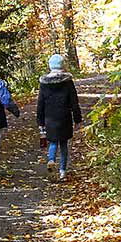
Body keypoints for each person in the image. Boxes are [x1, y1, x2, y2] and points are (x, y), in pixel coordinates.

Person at [35, 54, 83, 182]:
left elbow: (41, 103)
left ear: (50, 66)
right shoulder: (67, 82)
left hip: (49, 118)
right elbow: (74, 102)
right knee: (63, 145)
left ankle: (51, 160)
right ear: (63, 65)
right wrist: (77, 119)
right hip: (64, 117)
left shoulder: (44, 83)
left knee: (53, 142)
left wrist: (40, 121)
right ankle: (62, 172)